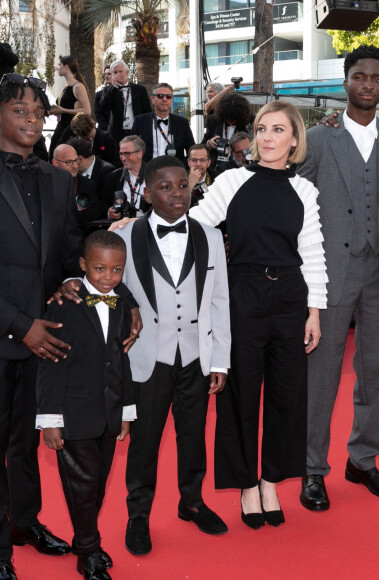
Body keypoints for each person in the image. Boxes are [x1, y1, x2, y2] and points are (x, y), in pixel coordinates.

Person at [188, 100, 327, 528]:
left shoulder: (305, 190)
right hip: (242, 297)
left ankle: (271, 480)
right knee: (242, 395)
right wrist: (137, 226)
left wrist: (314, 312)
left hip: (290, 299)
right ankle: (247, 483)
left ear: (294, 140)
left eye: (278, 130)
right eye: (262, 128)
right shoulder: (231, 181)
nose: (267, 137)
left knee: (287, 397)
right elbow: (192, 224)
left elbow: (313, 255)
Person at [296, 45, 379, 511]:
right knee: (323, 373)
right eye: (360, 76)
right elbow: (300, 204)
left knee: (373, 369)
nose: (369, 84)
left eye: (377, 78)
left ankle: (362, 460)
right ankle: (312, 469)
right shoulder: (320, 138)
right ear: (345, 82)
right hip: (329, 275)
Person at [112, 155, 231, 555]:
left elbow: (219, 300)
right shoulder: (126, 238)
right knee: (145, 441)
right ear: (146, 192)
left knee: (193, 436)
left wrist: (219, 359)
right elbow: (108, 287)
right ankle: (138, 514)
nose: (177, 193)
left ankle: (192, 502)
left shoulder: (210, 235)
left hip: (196, 355)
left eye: (183, 185)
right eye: (165, 187)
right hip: (148, 358)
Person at [0, 73, 83, 580]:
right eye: (19, 110)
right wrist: (18, 325)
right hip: (9, 330)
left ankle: (23, 523)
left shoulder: (57, 178)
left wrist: (72, 278)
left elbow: (68, 247)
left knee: (27, 439)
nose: (32, 120)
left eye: (39, 112)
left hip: (44, 336)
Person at [35, 230, 136, 580]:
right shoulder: (64, 305)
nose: (108, 278)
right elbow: (51, 364)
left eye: (116, 271)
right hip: (73, 414)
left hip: (108, 413)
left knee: (97, 484)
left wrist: (126, 410)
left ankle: (84, 539)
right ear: (82, 266)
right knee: (81, 483)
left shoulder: (121, 304)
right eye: (99, 269)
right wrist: (50, 419)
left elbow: (122, 361)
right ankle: (89, 551)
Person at [131, 82, 195, 167]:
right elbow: (132, 148)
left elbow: (192, 151)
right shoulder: (140, 121)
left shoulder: (182, 123)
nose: (165, 99)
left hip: (174, 172)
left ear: (171, 100)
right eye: (160, 96)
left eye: (168, 96)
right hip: (147, 171)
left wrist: (179, 166)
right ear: (152, 99)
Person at [48, 55, 91, 159]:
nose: (57, 67)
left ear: (66, 67)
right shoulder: (66, 86)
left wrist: (63, 110)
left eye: (60, 64)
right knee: (53, 154)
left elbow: (87, 111)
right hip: (62, 126)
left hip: (71, 128)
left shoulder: (78, 86)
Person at [52, 143, 106, 226]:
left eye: (76, 160)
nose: (74, 166)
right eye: (69, 162)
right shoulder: (45, 183)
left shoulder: (87, 184)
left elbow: (97, 210)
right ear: (55, 163)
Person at [98, 60, 151, 141]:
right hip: (117, 132)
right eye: (115, 72)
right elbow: (104, 107)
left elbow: (147, 111)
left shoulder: (139, 89)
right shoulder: (108, 90)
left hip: (136, 130)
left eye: (120, 71)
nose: (118, 74)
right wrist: (114, 87)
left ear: (127, 73)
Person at [103, 136, 150, 219]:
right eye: (121, 154)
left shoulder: (154, 175)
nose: (123, 158)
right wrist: (109, 213)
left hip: (148, 225)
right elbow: (103, 205)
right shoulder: (112, 177)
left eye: (127, 154)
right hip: (121, 226)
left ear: (140, 153)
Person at [202, 92, 253, 168]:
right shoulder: (213, 120)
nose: (230, 122)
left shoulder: (250, 121)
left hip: (241, 167)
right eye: (227, 119)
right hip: (216, 168)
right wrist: (209, 144)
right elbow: (201, 146)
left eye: (233, 120)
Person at [68, 135, 116, 204]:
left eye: (71, 161)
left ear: (79, 159)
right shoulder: (75, 171)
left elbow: (105, 203)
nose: (71, 165)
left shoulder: (106, 172)